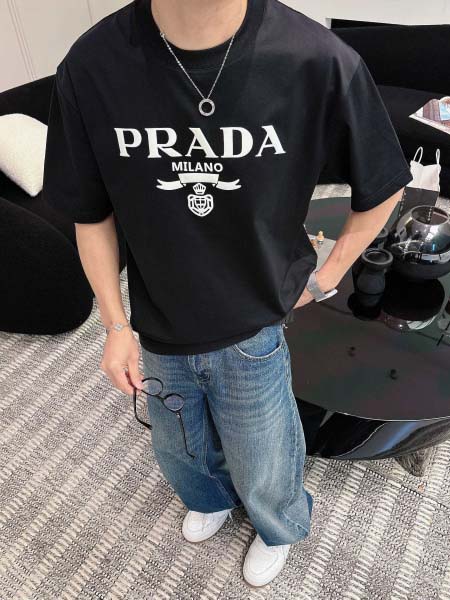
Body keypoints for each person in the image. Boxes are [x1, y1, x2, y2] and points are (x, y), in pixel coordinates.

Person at [43, 0, 413, 587]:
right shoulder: (93, 65)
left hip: (253, 320)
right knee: (178, 444)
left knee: (264, 451)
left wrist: (327, 275)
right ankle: (210, 496)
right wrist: (114, 326)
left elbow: (384, 182)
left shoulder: (315, 59)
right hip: (158, 316)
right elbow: (90, 215)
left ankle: (278, 526)